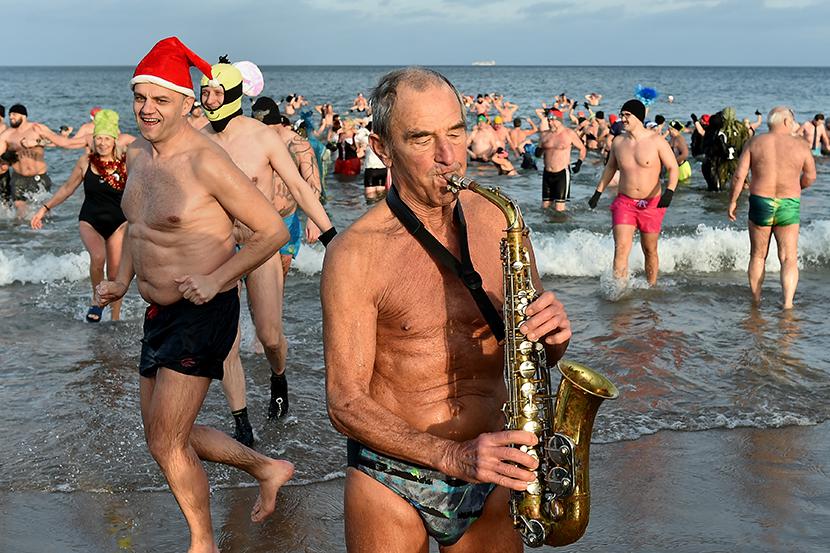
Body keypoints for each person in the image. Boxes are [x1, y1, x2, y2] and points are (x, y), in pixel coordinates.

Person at [322, 66, 572, 553]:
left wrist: (555, 337)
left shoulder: (501, 221)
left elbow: (534, 356)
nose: (448, 156)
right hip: (393, 476)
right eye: (422, 139)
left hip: (497, 463)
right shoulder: (355, 254)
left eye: (456, 132)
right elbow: (345, 403)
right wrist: (453, 456)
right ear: (382, 148)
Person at [95, 37, 294, 553]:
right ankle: (266, 468)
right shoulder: (138, 155)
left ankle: (202, 544)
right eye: (140, 97)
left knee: (167, 441)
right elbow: (140, 227)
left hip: (203, 310)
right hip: (158, 313)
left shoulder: (206, 161)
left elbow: (272, 230)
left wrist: (218, 277)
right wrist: (122, 280)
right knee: (164, 437)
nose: (147, 108)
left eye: (160, 99)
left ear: (187, 103)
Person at [200, 60, 336, 436]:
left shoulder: (261, 137)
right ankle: (241, 420)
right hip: (218, 249)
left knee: (270, 336)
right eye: (204, 92)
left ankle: (279, 377)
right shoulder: (198, 139)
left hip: (260, 245)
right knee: (227, 341)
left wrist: (330, 237)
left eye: (216, 93)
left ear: (233, 95)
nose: (208, 101)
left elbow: (299, 187)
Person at [30, 110, 133, 322]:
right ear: (93, 140)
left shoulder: (125, 162)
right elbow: (67, 188)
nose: (102, 143)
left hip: (119, 223)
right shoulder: (86, 161)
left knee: (115, 274)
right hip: (90, 221)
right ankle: (97, 300)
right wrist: (44, 208)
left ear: (115, 140)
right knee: (98, 257)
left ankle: (115, 317)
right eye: (98, 138)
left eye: (107, 138)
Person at [727, 106, 816, 309]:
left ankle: (756, 300)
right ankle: (788, 304)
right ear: (786, 122)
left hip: (761, 201)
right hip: (788, 203)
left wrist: (732, 201)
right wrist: (796, 187)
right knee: (788, 258)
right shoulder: (801, 145)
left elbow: (739, 176)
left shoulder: (755, 142)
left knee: (758, 255)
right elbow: (811, 176)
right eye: (792, 120)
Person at [588, 99, 679, 286]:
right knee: (621, 248)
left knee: (650, 249)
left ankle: (651, 288)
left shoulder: (656, 141)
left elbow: (673, 167)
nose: (622, 119)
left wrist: (669, 191)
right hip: (625, 202)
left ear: (638, 117)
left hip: (651, 203)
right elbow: (610, 168)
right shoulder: (618, 142)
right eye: (621, 115)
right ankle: (618, 290)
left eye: (627, 115)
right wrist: (598, 192)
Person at [0, 104, 87, 217]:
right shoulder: (7, 135)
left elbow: (56, 142)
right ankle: (22, 227)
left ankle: (44, 227)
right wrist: (6, 158)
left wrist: (37, 142)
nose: (11, 117)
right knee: (20, 208)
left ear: (23, 116)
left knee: (44, 209)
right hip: (18, 177)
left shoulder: (37, 128)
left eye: (14, 114)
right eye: (10, 115)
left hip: (39, 177)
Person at [536, 109, 586, 211]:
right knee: (545, 207)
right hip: (547, 174)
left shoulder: (569, 133)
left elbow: (582, 148)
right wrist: (536, 150)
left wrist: (579, 163)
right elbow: (538, 154)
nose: (550, 123)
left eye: (552, 120)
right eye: (548, 120)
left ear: (559, 120)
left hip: (562, 173)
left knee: (559, 209)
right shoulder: (544, 135)